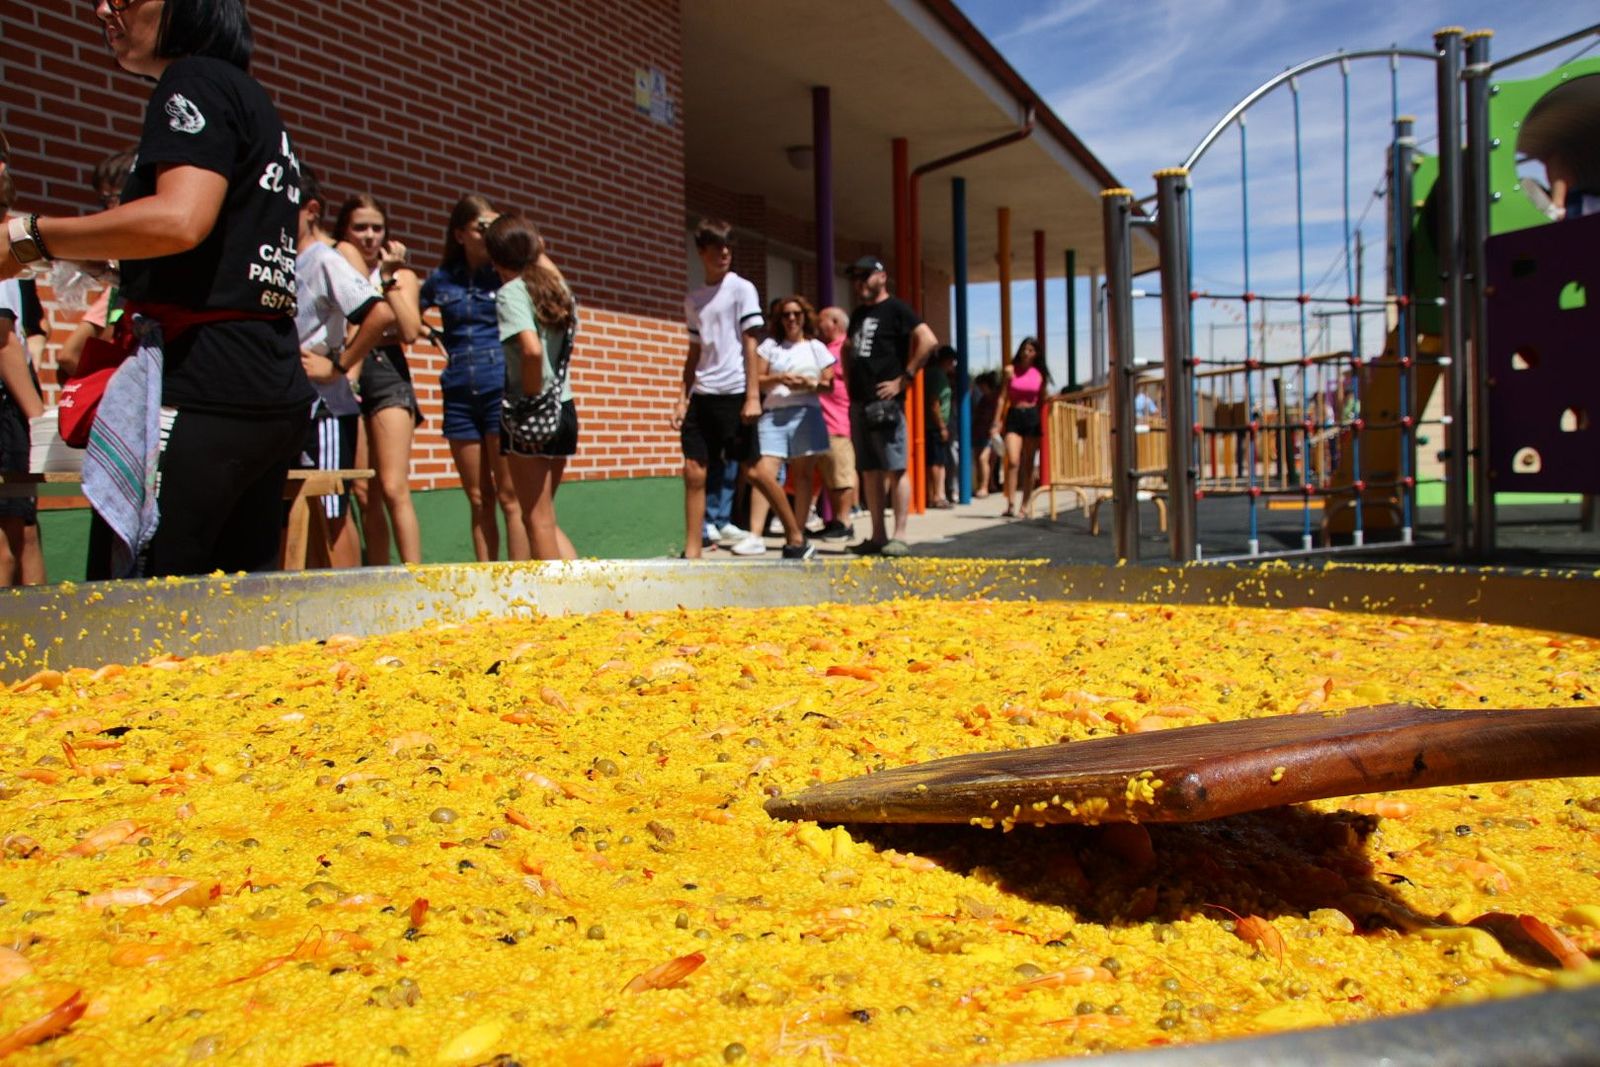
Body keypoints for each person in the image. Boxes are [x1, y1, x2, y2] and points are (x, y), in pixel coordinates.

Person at [2, 0, 311, 577]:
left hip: (204, 386)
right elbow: (222, 252)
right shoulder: (249, 98)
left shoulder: (191, 81)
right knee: (232, 604)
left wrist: (32, 238)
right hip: (261, 380)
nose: (103, 9)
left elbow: (179, 220)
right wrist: (118, 269)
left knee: (144, 604)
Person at [674, 218, 811, 560]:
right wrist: (681, 398)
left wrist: (753, 396)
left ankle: (796, 536)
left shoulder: (741, 289)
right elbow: (695, 352)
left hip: (737, 393)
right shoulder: (693, 300)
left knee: (754, 472)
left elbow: (751, 343)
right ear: (701, 251)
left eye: (728, 246)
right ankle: (692, 554)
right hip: (703, 396)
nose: (723, 253)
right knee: (693, 471)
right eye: (716, 246)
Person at [415, 195, 528, 562]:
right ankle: (487, 581)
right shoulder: (442, 279)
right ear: (460, 233)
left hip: (499, 386)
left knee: (510, 496)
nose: (487, 234)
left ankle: (522, 584)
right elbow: (405, 314)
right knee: (479, 497)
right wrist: (430, 335)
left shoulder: (505, 273)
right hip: (460, 391)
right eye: (481, 227)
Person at [294, 167, 395, 568]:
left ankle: (349, 615)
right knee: (301, 510)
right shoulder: (284, 262)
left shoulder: (324, 260)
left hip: (326, 411)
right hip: (291, 407)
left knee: (332, 512)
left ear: (310, 210)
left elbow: (379, 313)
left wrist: (337, 365)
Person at [332, 194, 423, 565]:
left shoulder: (401, 275)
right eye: (360, 228)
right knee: (363, 491)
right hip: (348, 371)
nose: (369, 236)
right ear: (345, 231)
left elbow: (409, 329)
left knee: (392, 486)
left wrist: (386, 281)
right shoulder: (335, 266)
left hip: (387, 373)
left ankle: (417, 579)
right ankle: (379, 575)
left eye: (376, 228)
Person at [485, 211, 579, 562]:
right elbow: (541, 260)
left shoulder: (511, 293)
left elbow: (530, 348)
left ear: (495, 258)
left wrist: (527, 398)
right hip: (565, 409)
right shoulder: (557, 289)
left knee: (535, 519)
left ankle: (561, 608)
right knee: (546, 518)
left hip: (533, 412)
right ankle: (584, 595)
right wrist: (528, 240)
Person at [843, 255, 937, 557]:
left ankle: (899, 535)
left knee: (895, 468)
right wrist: (848, 384)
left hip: (887, 404)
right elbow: (848, 350)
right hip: (860, 402)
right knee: (869, 471)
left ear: (882, 277)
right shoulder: (858, 314)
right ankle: (877, 536)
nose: (860, 282)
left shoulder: (896, 309)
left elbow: (927, 339)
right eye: (856, 277)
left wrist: (904, 379)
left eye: (866, 275)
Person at [731, 294, 834, 556]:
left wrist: (808, 384)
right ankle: (755, 534)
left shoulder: (816, 347)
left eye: (796, 314)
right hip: (774, 414)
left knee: (802, 477)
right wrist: (779, 378)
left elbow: (828, 384)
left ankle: (795, 534)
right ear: (779, 319)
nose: (791, 319)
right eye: (786, 314)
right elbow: (758, 380)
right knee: (764, 472)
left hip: (806, 414)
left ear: (804, 317)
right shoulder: (770, 347)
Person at [0, 139, 47, 587]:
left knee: (17, 532)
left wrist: (36, 416)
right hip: (11, 407)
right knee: (18, 531)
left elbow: (5, 337)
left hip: (7, 407)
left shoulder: (7, 239)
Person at [59, 149, 136, 381]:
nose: (108, 209)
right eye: (103, 201)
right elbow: (69, 355)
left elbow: (69, 355)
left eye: (114, 197)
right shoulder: (120, 281)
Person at [992, 336, 1049, 519]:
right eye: (1024, 348)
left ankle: (1025, 505)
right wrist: (997, 421)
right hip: (1014, 415)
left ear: (1036, 353)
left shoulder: (1039, 373)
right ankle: (1010, 504)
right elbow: (1002, 397)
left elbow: (1044, 398)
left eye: (1031, 350)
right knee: (1013, 461)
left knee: (1028, 464)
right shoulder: (1010, 371)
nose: (1027, 352)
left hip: (1032, 417)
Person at [813, 305, 854, 539]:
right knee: (830, 475)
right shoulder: (826, 349)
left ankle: (844, 522)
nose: (819, 326)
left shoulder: (845, 349)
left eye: (823, 321)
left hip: (839, 422)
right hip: (821, 423)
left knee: (841, 475)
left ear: (836, 323)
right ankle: (835, 521)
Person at [925, 345, 956, 508]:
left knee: (936, 461)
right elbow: (934, 403)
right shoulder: (937, 375)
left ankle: (935, 494)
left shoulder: (932, 373)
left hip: (933, 425)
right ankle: (938, 496)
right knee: (937, 462)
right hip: (935, 426)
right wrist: (942, 426)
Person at [971, 370, 1001, 498]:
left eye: (981, 386)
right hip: (979, 432)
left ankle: (984, 487)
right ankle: (989, 484)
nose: (979, 388)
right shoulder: (983, 399)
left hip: (991, 434)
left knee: (984, 459)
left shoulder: (997, 399)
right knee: (982, 461)